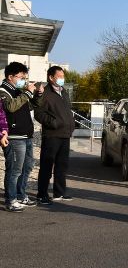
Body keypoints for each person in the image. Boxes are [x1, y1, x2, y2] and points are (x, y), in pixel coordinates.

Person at [0, 62, 44, 212]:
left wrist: (37, 94)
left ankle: (20, 195)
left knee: (27, 167)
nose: (23, 80)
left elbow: (33, 106)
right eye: (20, 77)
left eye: (25, 78)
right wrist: (27, 93)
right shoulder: (3, 90)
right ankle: (11, 200)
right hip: (13, 137)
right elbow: (10, 107)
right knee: (14, 170)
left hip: (27, 136)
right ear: (10, 76)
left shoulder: (19, 91)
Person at [34, 66, 76, 204]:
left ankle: (59, 193)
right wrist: (55, 123)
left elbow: (67, 111)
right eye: (59, 76)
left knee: (62, 166)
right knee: (47, 165)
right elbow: (39, 114)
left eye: (63, 76)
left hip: (65, 134)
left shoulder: (63, 92)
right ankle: (42, 194)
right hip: (52, 135)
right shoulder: (44, 93)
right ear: (51, 77)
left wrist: (71, 123)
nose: (62, 79)